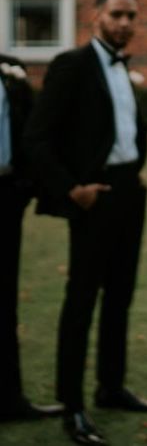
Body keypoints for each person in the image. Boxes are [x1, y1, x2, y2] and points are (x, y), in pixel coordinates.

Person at [24, 0, 147, 446]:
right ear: (96, 17)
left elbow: (123, 129)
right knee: (81, 300)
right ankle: (73, 406)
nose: (125, 22)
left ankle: (110, 387)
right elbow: (37, 138)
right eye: (116, 14)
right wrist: (72, 189)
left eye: (130, 16)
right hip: (93, 195)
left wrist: (135, 170)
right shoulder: (72, 65)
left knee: (120, 296)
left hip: (129, 192)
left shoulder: (124, 67)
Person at [0, 55, 63, 423]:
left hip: (7, 197)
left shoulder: (10, 74)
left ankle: (10, 398)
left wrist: (24, 187)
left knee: (6, 300)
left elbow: (30, 131)